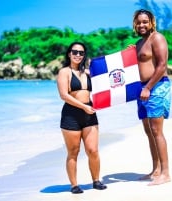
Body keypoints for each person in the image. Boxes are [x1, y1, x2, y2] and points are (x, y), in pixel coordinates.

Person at [57, 42, 107, 194]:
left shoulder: (88, 72)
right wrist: (83, 106)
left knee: (93, 150)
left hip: (89, 113)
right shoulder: (64, 72)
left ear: (84, 55)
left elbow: (109, 75)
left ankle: (96, 180)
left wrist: (128, 52)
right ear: (69, 54)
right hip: (71, 114)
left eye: (81, 53)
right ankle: (74, 185)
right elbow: (64, 95)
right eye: (75, 52)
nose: (78, 55)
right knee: (73, 151)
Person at [133, 9, 171, 185]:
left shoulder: (157, 38)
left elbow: (162, 65)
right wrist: (130, 53)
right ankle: (156, 170)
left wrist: (148, 87)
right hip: (142, 90)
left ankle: (165, 173)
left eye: (144, 22)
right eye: (138, 22)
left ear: (151, 23)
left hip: (155, 87)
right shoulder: (139, 43)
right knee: (149, 131)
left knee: (157, 131)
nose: (141, 25)